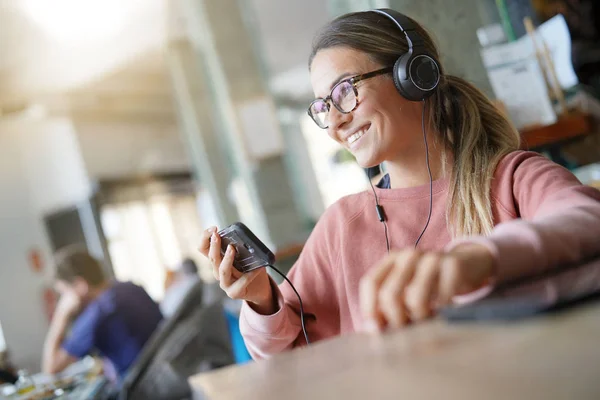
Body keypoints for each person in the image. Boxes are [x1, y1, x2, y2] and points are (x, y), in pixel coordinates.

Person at [198, 9, 600, 360]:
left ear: (414, 76)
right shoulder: (342, 225)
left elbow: (589, 221)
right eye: (322, 106)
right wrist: (261, 299)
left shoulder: (511, 178)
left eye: (344, 92)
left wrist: (475, 261)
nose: (334, 122)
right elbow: (283, 357)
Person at [42, 246, 162, 378]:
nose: (64, 301)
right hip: (161, 374)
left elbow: (51, 368)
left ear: (80, 285)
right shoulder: (129, 287)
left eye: (65, 293)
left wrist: (60, 315)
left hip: (139, 387)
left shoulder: (96, 314)